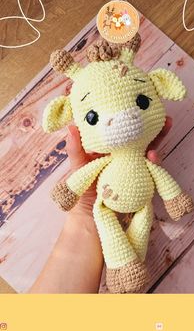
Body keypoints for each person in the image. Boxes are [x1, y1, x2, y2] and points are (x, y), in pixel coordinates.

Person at [29, 117, 172, 293]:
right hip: (105, 205)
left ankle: (123, 271)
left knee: (140, 223)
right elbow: (88, 172)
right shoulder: (105, 162)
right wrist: (76, 197)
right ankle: (122, 270)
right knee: (120, 223)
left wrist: (174, 197)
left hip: (136, 203)